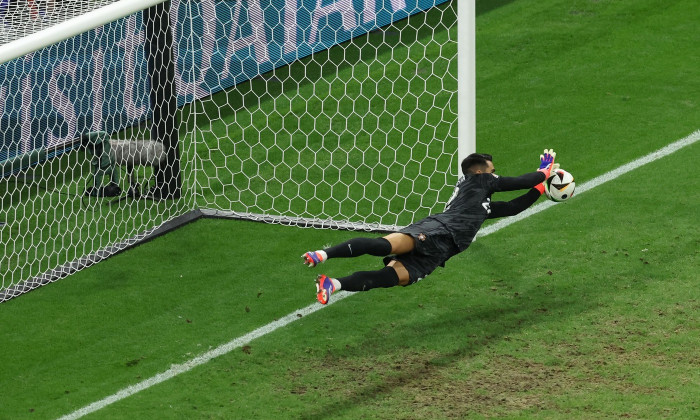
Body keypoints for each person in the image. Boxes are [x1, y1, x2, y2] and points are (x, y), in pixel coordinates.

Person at [302, 150, 558, 305]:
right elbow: (518, 182)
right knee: (384, 245)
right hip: (437, 229)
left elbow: (514, 206)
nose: (495, 173)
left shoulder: (480, 204)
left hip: (442, 250)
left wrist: (540, 187)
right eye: (493, 170)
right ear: (481, 171)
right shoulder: (479, 180)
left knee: (391, 278)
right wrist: (543, 172)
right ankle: (322, 255)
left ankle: (332, 284)